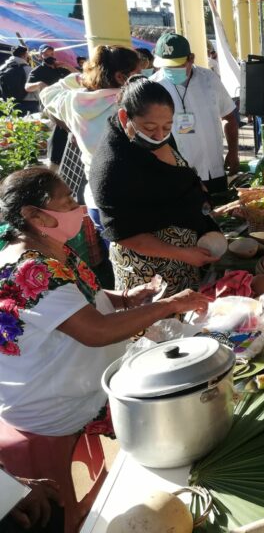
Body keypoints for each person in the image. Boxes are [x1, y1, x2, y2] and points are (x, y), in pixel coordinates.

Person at [0, 167, 209, 438]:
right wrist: (169, 305)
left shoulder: (49, 245)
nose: (78, 208)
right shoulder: (30, 269)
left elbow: (77, 297)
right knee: (184, 416)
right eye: (67, 202)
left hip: (73, 381)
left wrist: (124, 298)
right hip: (57, 404)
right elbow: (96, 331)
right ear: (34, 215)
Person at [90, 76, 221, 295]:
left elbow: (179, 173)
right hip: (147, 271)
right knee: (160, 314)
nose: (159, 136)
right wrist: (183, 253)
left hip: (187, 260)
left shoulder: (157, 136)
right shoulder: (111, 168)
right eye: (149, 127)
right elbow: (124, 233)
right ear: (124, 117)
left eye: (167, 127)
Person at [40, 45, 141, 227]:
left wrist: (79, 78)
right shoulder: (132, 103)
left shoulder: (73, 101)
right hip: (133, 197)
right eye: (138, 73)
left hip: (96, 196)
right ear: (121, 77)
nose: (142, 77)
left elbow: (47, 93)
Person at [150, 33, 239, 195]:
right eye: (166, 66)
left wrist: (233, 151)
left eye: (176, 65)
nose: (171, 70)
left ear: (191, 58)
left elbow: (228, 117)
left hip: (215, 170)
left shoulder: (209, 79)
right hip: (180, 177)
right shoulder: (153, 87)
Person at [25, 45, 75, 171]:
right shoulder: (38, 70)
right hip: (50, 105)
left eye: (51, 54)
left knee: (66, 128)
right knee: (61, 128)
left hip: (66, 103)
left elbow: (79, 76)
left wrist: (67, 65)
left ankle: (62, 159)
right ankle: (54, 160)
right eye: (46, 54)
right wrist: (39, 83)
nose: (49, 56)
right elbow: (27, 87)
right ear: (40, 56)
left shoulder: (61, 69)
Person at [0, 46, 36, 114]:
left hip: (7, 103)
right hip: (28, 104)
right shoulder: (28, 69)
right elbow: (34, 89)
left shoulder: (2, 68)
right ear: (24, 55)